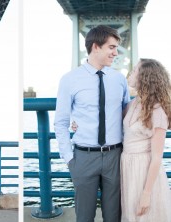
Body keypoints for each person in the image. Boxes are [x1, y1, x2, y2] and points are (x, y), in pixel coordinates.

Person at [54, 25, 130, 222]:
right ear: (96, 47)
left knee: (114, 216)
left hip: (115, 156)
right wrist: (70, 159)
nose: (115, 53)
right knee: (84, 217)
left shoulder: (119, 79)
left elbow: (127, 116)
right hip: (83, 158)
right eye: (111, 47)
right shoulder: (69, 80)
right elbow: (61, 122)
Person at [121, 58, 171, 221]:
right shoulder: (132, 104)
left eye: (135, 69)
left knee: (145, 215)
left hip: (144, 170)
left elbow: (157, 157)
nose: (131, 72)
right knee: (131, 215)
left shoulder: (157, 111)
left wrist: (146, 194)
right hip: (128, 166)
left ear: (144, 78)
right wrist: (76, 122)